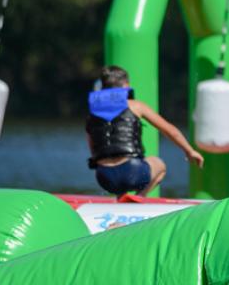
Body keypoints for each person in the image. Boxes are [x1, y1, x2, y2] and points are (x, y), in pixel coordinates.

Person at [85, 65, 204, 198]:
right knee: (160, 166)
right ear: (126, 85)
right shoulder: (136, 105)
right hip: (133, 171)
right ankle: (139, 196)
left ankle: (121, 198)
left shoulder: (92, 112)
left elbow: (92, 145)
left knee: (115, 175)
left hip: (104, 177)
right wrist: (189, 151)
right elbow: (170, 130)